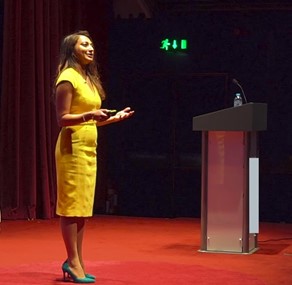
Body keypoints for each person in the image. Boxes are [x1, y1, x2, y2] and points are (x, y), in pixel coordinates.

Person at [54, 30, 134, 283]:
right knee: (71, 207)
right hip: (71, 148)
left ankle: (76, 260)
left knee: (82, 208)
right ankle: (73, 262)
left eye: (91, 44)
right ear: (72, 50)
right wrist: (90, 115)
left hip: (88, 148)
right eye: (84, 44)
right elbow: (63, 119)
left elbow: (91, 120)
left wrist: (112, 118)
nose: (90, 48)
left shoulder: (87, 78)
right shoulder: (67, 78)